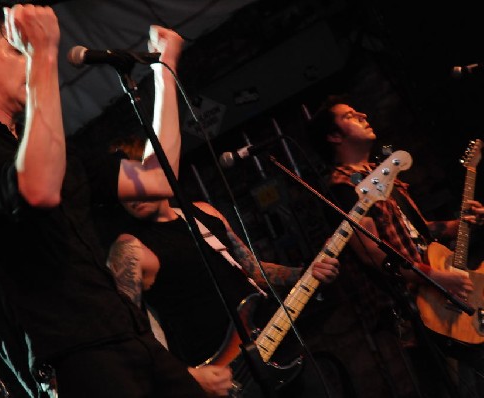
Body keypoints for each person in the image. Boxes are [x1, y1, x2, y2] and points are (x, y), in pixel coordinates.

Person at [0, 4, 208, 398]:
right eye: (17, 50)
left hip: (130, 335)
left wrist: (163, 73)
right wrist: (41, 52)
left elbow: (157, 179)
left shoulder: (49, 148)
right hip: (71, 358)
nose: (30, 60)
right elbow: (37, 188)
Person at [106, 139, 341, 397]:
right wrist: (186, 376)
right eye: (121, 187)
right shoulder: (129, 248)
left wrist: (306, 273)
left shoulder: (203, 213)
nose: (130, 194)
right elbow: (124, 332)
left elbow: (253, 271)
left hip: (271, 350)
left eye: (134, 179)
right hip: (218, 378)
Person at [308, 95, 484, 397]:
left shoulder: (381, 173)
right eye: (350, 115)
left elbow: (415, 228)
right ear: (334, 136)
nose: (363, 114)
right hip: (412, 307)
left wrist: (463, 223)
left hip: (438, 292)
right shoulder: (343, 188)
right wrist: (435, 276)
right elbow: (374, 255)